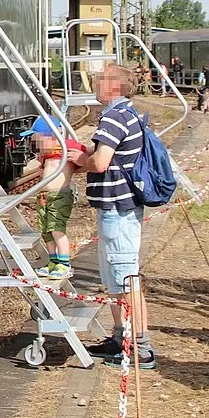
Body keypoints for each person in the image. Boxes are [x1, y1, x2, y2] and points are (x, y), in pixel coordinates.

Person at [67, 64, 156, 369]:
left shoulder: (113, 117)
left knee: (125, 280)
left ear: (113, 87)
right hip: (120, 209)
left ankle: (139, 347)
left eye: (99, 79)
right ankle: (121, 338)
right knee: (116, 280)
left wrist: (81, 159)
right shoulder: (126, 113)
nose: (94, 82)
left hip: (117, 211)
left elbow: (101, 162)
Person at [25, 116, 86, 279]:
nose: (36, 146)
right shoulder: (46, 156)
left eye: (38, 140)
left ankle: (64, 264)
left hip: (59, 196)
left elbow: (86, 154)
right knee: (46, 232)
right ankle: (53, 261)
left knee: (57, 229)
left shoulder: (67, 149)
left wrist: (82, 158)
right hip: (44, 197)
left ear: (54, 136)